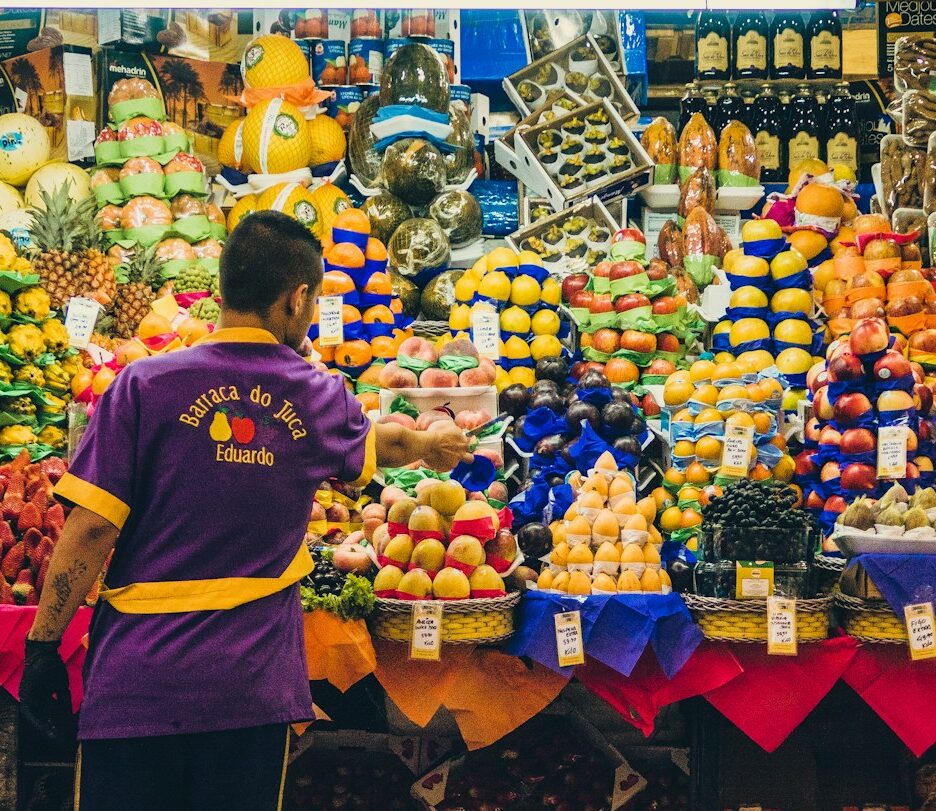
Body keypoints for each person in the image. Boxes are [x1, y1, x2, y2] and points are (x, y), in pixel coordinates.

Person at [19, 211, 472, 810]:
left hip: (138, 683)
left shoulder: (141, 386)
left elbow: (92, 527)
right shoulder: (316, 396)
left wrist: (43, 648)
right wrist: (429, 445)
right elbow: (378, 442)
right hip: (249, 689)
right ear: (297, 298)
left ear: (224, 288)